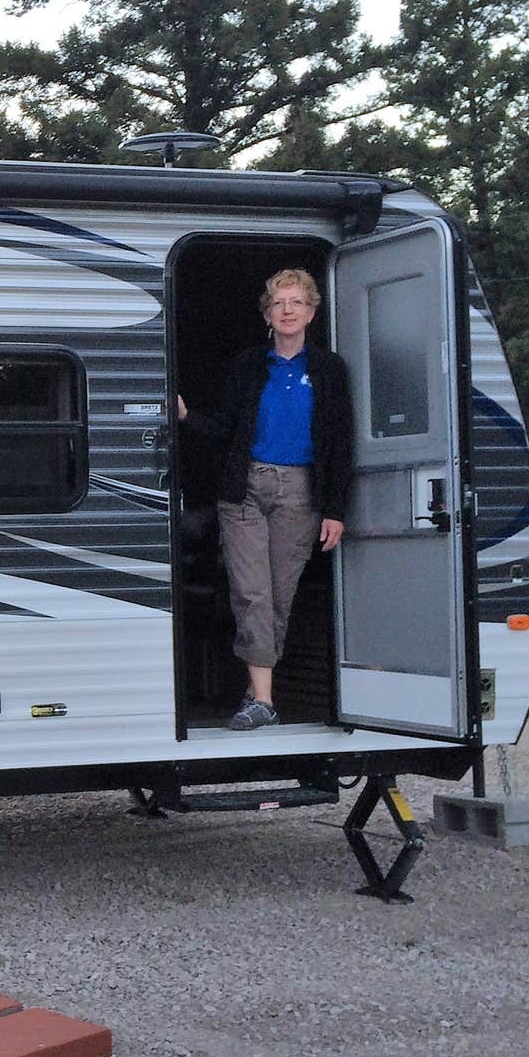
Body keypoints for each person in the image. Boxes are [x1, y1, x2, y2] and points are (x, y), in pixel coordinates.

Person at [178, 267, 355, 729]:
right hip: (245, 489)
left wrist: (335, 510)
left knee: (280, 598)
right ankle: (265, 702)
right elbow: (223, 429)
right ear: (268, 314)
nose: (288, 310)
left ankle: (258, 692)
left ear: (312, 312)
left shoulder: (329, 370)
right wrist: (185, 416)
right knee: (251, 592)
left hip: (300, 493)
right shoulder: (249, 366)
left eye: (297, 302)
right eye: (279, 303)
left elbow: (340, 442)